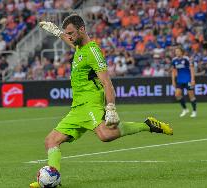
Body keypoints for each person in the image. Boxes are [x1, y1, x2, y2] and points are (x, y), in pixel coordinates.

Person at [30, 14, 173, 188]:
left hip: (91, 103)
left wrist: (110, 107)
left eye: (71, 33)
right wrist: (56, 31)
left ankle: (147, 124)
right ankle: (52, 179)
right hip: (77, 108)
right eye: (67, 33)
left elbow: (107, 82)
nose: (69, 36)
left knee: (106, 136)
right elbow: (69, 40)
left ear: (82, 29)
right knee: (51, 141)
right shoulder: (78, 47)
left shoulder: (92, 51)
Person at [171, 47, 197, 118]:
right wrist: (173, 81)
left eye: (178, 51)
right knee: (177, 95)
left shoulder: (186, 59)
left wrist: (193, 80)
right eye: (176, 51)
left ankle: (194, 111)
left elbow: (192, 69)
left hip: (188, 80)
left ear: (182, 52)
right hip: (180, 80)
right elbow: (173, 71)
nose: (177, 52)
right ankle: (185, 109)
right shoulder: (174, 60)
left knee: (191, 96)